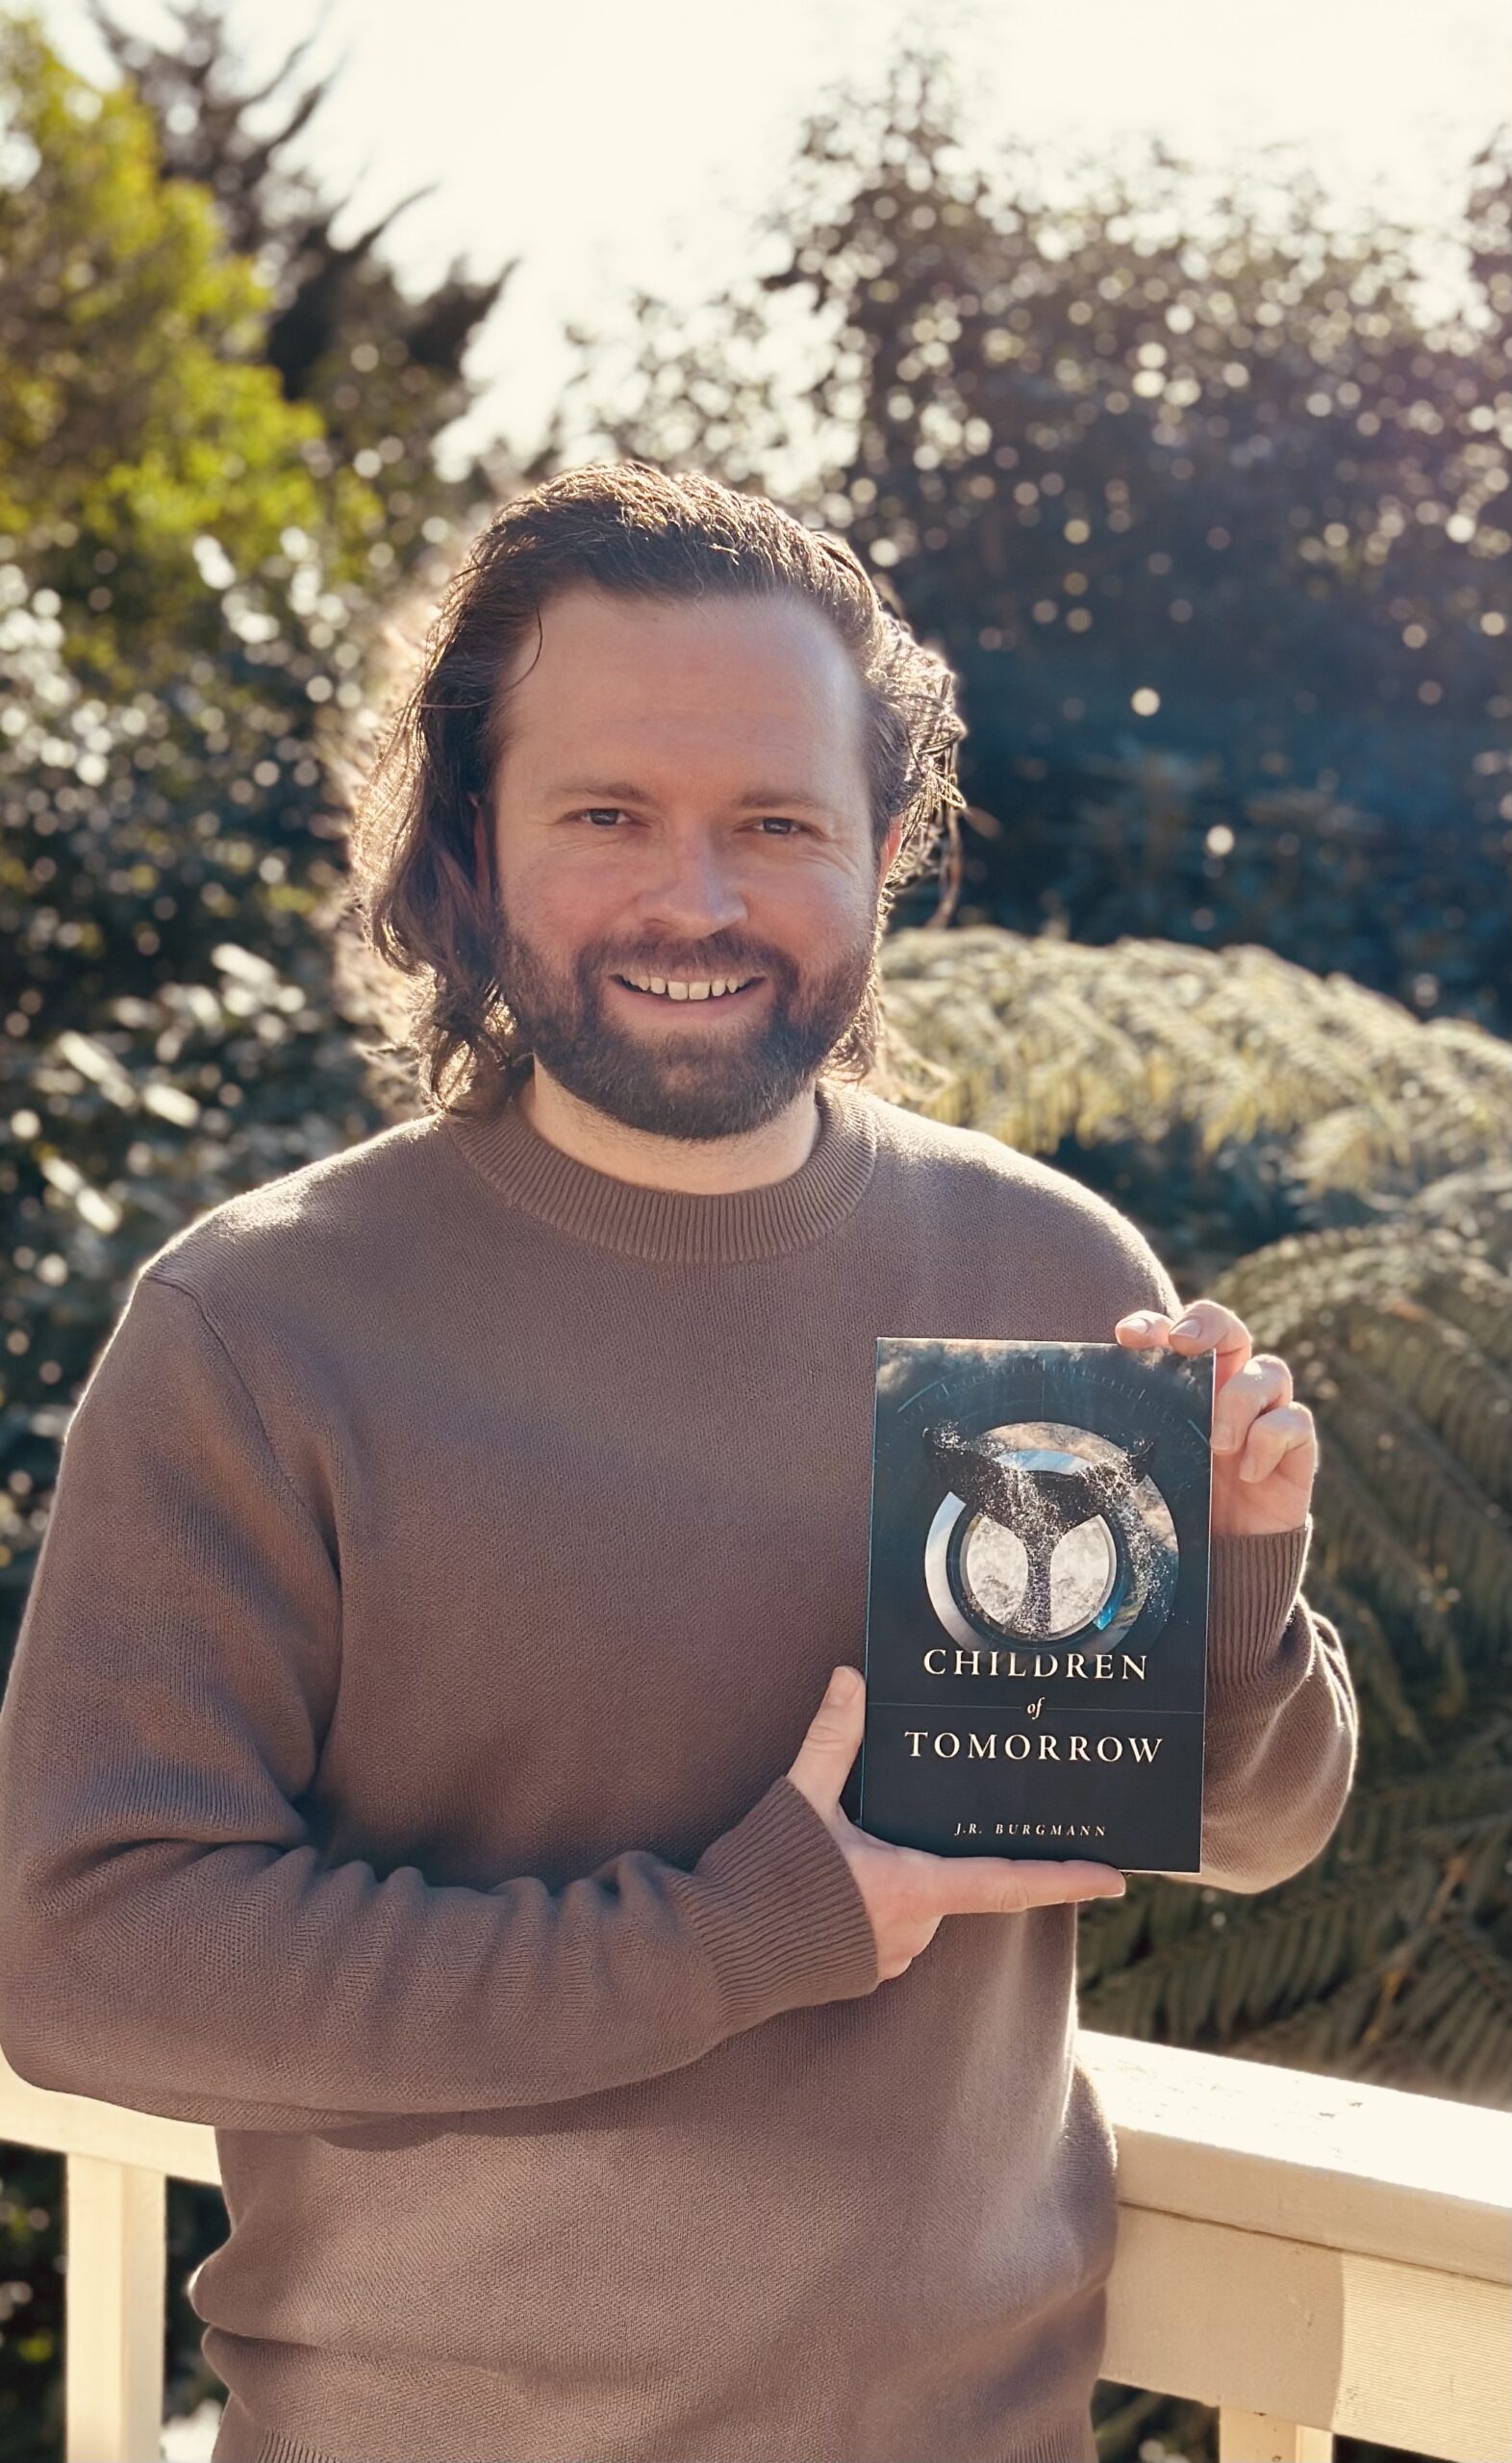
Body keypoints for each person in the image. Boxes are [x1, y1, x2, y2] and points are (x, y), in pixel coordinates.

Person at [0, 462, 1357, 2463]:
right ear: (474, 846)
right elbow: (93, 1963)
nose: (696, 899)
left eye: (776, 823)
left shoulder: (1050, 1273)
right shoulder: (262, 1329)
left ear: (884, 850)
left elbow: (1235, 1830)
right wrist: (728, 1932)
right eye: (609, 814)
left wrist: (1240, 1575)